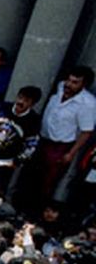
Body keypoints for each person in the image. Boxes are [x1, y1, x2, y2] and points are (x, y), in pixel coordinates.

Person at [36, 65, 95, 204]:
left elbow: (86, 131)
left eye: (75, 82)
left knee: (48, 180)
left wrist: (71, 153)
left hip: (60, 146)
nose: (69, 84)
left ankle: (39, 209)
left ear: (84, 84)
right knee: (34, 174)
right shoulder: (61, 87)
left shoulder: (87, 104)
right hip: (43, 139)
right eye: (69, 80)